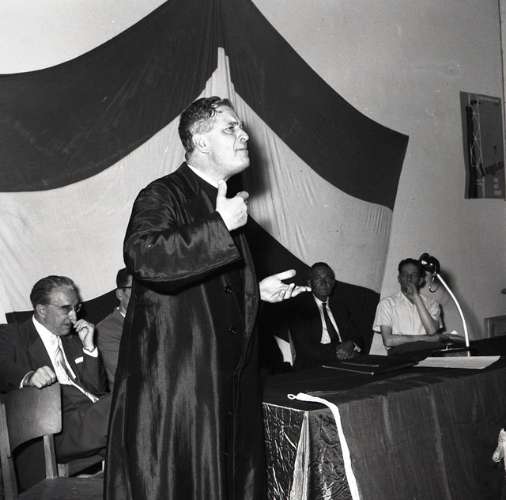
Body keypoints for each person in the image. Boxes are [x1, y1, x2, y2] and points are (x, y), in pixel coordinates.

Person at [105, 96, 309, 500]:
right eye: (230, 128)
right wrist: (220, 225)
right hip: (180, 390)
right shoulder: (163, 194)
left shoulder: (226, 200)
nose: (244, 135)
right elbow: (144, 257)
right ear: (199, 141)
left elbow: (206, 289)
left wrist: (256, 292)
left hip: (223, 386)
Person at [0, 275, 111, 489]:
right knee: (129, 402)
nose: (74, 316)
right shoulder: (13, 335)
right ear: (42, 310)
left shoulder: (72, 339)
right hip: (55, 429)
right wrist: (28, 377)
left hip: (92, 419)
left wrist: (89, 348)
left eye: (76, 308)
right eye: (65, 309)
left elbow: (98, 390)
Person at [288, 262, 363, 369]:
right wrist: (337, 352)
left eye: (328, 278)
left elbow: (357, 336)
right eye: (318, 278)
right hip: (313, 366)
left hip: (346, 362)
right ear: (310, 283)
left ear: (333, 283)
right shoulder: (300, 308)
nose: (324, 282)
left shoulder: (340, 306)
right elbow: (304, 348)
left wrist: (351, 344)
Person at [373, 258, 457, 352]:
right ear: (399, 278)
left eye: (414, 275)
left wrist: (416, 297)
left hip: (428, 353)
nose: (409, 278)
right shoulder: (387, 304)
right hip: (399, 355)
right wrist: (427, 339)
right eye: (405, 274)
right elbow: (388, 341)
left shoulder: (432, 303)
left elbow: (432, 331)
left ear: (420, 280)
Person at [96, 268, 132, 391]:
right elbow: (125, 376)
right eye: (136, 289)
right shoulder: (105, 330)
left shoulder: (158, 318)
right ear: (120, 294)